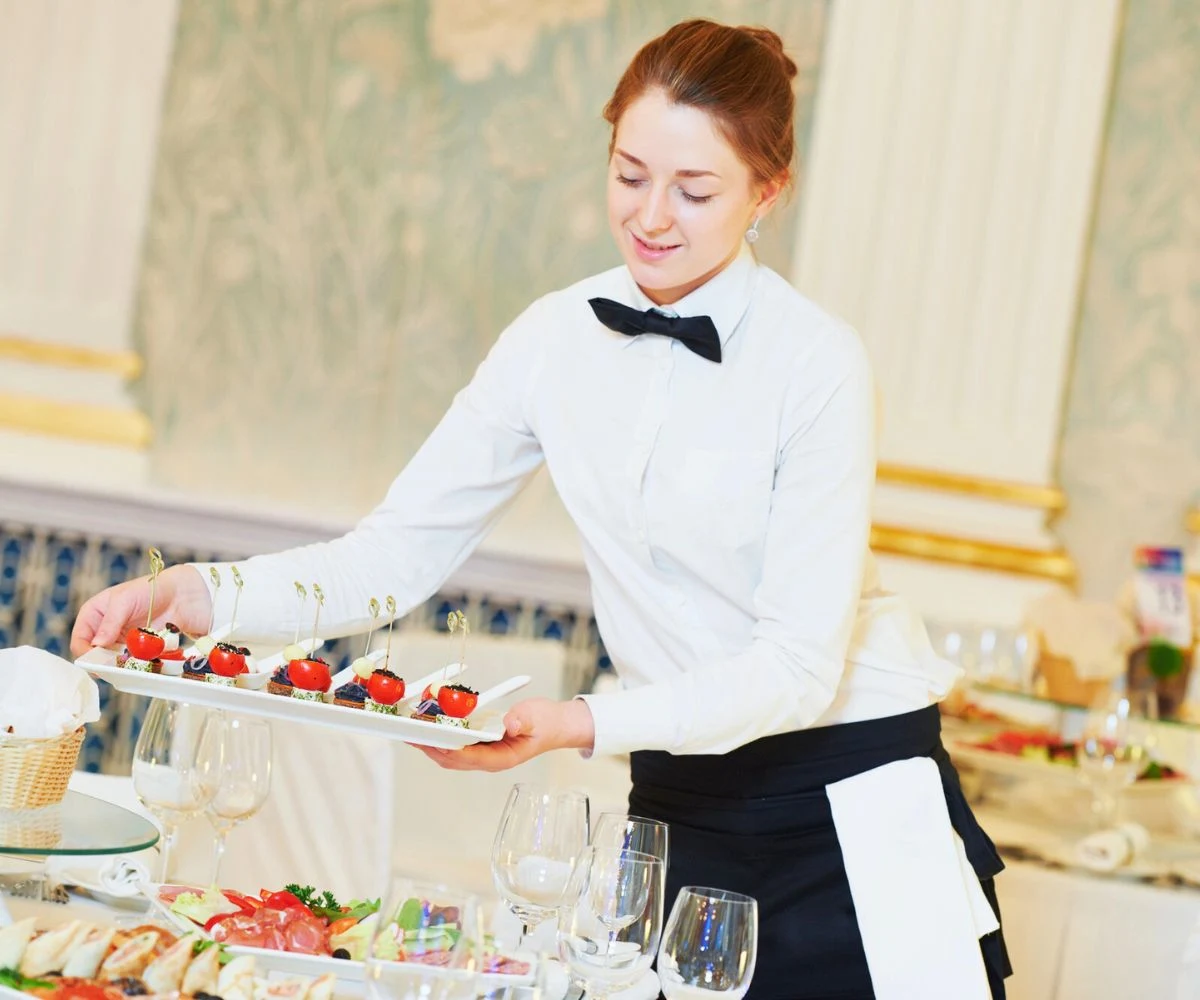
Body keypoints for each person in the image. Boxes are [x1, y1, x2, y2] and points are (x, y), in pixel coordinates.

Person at [72, 19, 1010, 1000]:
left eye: (694, 192)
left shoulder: (818, 364)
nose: (651, 216)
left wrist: (577, 721)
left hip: (850, 801)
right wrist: (192, 595)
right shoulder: (552, 339)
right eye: (630, 174)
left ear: (768, 191)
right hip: (682, 790)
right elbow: (390, 556)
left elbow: (796, 669)